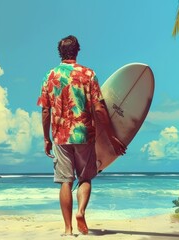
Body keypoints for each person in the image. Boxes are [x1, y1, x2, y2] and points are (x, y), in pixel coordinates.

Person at [37, 35, 126, 236]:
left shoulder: (50, 76)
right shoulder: (88, 74)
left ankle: (68, 230)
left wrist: (46, 138)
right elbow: (99, 108)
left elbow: (45, 111)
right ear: (77, 51)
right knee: (85, 178)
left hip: (60, 136)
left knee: (65, 181)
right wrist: (111, 136)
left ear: (60, 53)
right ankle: (81, 211)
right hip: (84, 134)